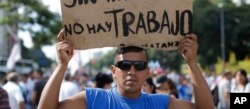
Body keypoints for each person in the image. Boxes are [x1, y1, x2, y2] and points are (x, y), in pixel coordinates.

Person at [38, 29, 214, 109]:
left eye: (139, 66)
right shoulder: (93, 99)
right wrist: (62, 65)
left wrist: (191, 63)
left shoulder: (160, 103)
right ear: (113, 71)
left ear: (147, 72)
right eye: (124, 65)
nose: (131, 71)